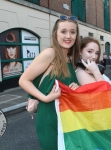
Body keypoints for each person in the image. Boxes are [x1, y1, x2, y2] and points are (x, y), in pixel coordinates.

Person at [19, 15, 80, 149]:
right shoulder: (50, 53)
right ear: (55, 34)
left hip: (65, 118)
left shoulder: (70, 59)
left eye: (72, 32)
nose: (68, 36)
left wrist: (76, 88)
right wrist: (45, 98)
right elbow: (24, 80)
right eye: (63, 31)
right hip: (49, 116)